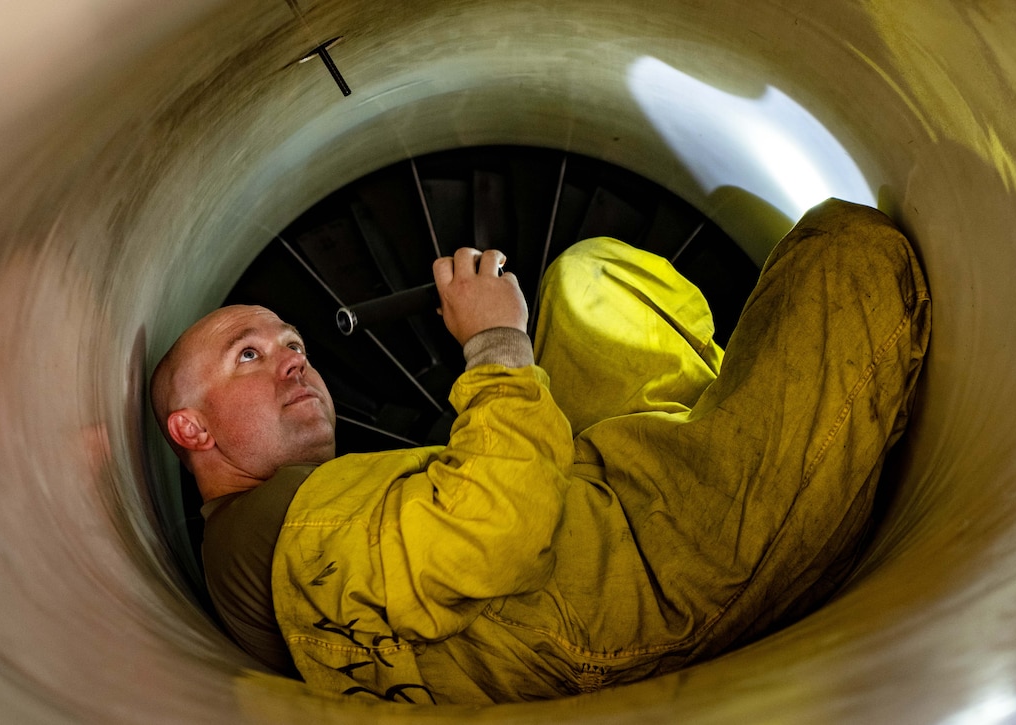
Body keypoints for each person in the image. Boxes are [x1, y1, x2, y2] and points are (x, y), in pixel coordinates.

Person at [151, 198, 931, 704]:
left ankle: (741, 420)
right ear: (193, 430)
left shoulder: (293, 522)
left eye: (292, 342)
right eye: (248, 355)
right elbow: (500, 525)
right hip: (669, 565)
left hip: (595, 491)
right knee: (849, 253)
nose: (295, 357)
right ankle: (791, 457)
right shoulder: (282, 527)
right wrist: (495, 340)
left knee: (588, 278)